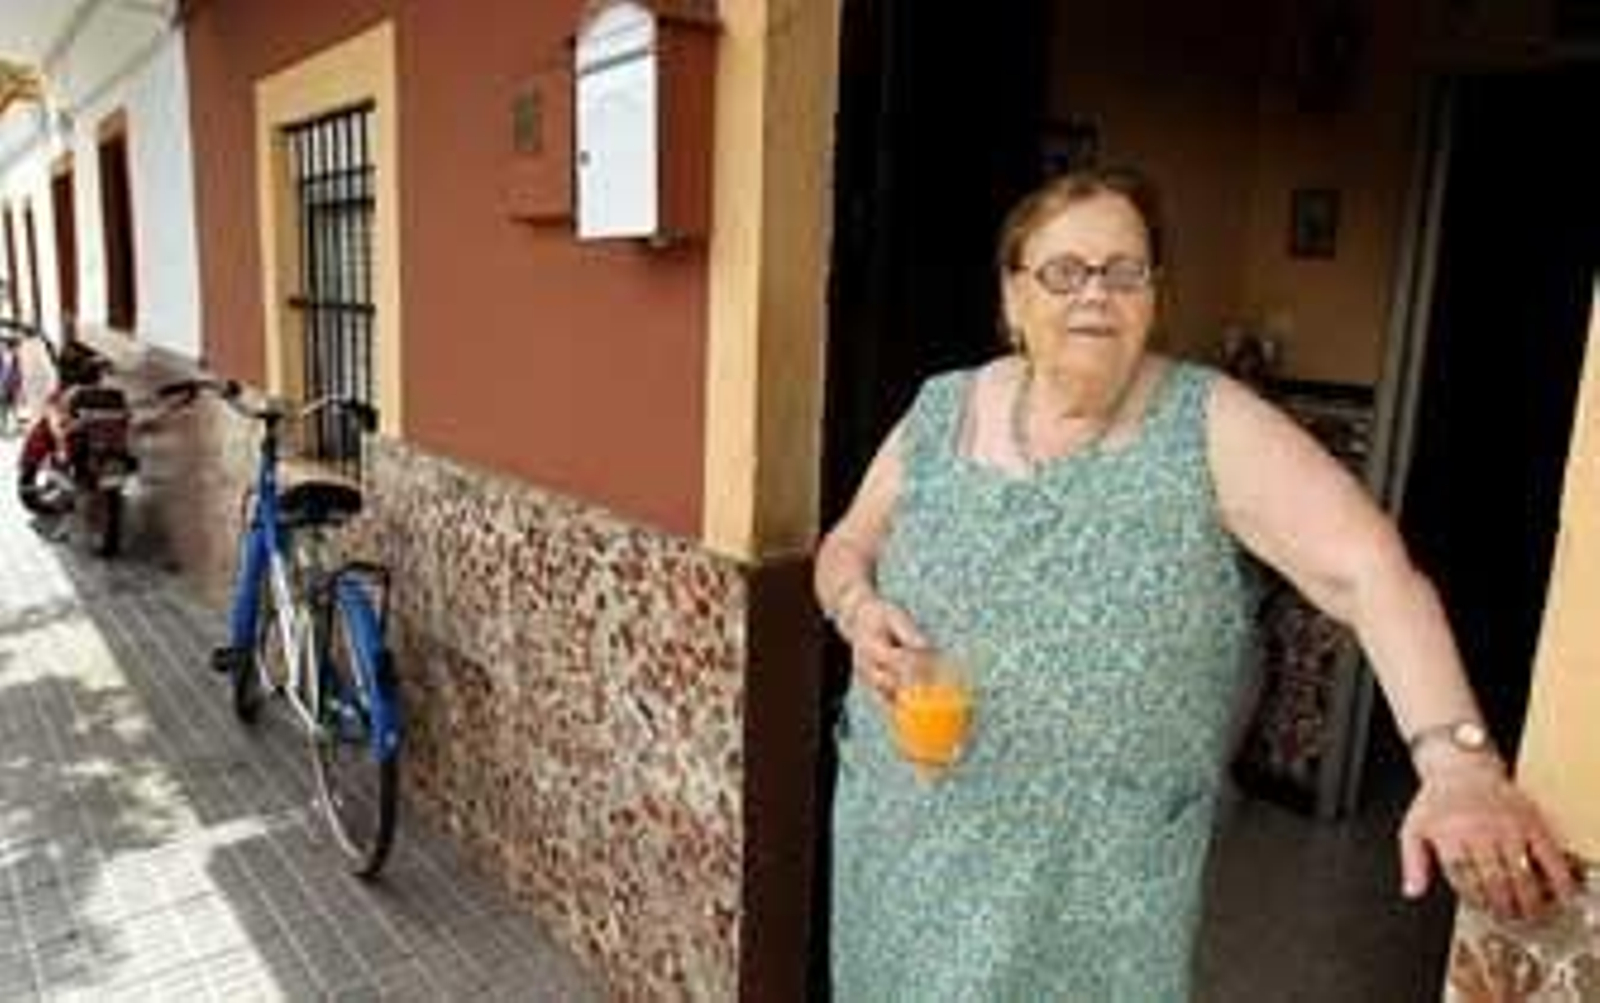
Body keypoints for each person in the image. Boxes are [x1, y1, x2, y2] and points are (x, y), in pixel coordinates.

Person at [812, 165, 1578, 1000]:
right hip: (908, 830)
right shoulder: (941, 409)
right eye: (1063, 271)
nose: (1095, 293)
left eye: (1125, 271)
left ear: (1153, 295)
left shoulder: (1208, 423)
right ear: (1012, 296)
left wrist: (1458, 764)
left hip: (1089, 884)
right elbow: (847, 542)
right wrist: (857, 607)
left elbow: (1371, 574)